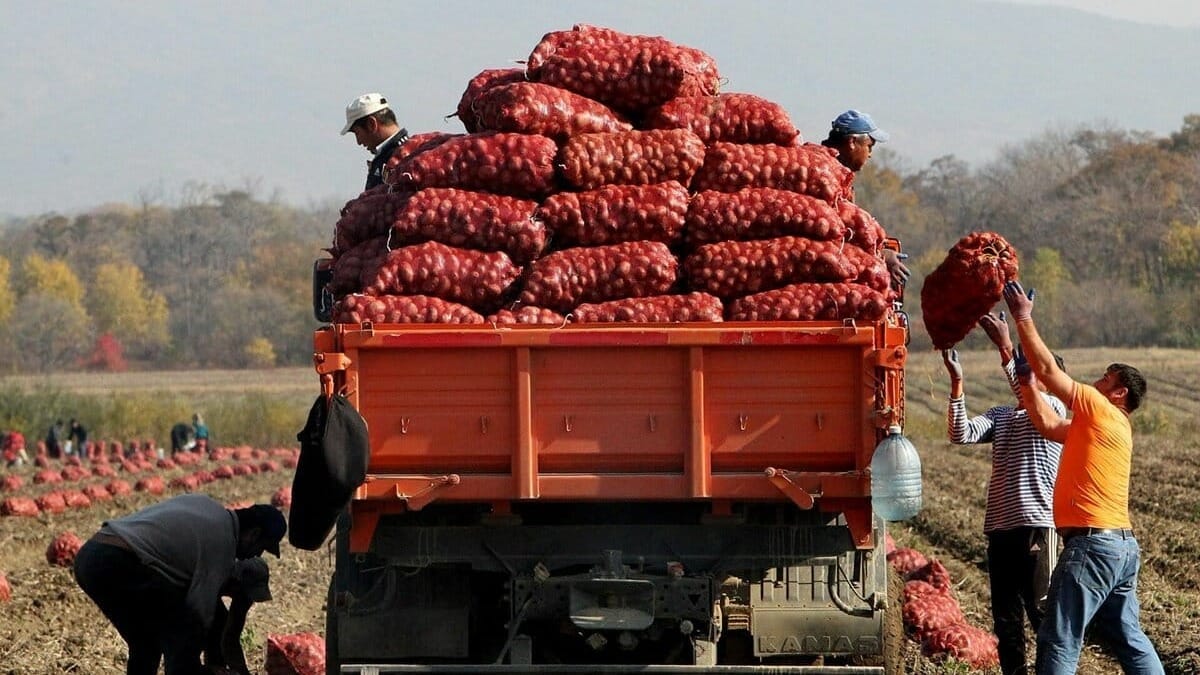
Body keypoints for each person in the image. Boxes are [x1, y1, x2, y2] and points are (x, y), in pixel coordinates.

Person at [1002, 280, 1164, 675]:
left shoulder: (1100, 409)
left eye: (1106, 378)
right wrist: (1025, 383)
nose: (1097, 381)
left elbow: (1050, 371)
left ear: (1120, 393)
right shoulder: (1108, 425)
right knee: (1127, 635)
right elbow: (1047, 421)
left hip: (1092, 547)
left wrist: (1023, 318)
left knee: (1060, 636)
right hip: (1120, 549)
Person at [943, 311, 1067, 675]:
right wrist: (957, 384)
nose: (1026, 376)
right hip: (1000, 530)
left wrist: (1005, 346)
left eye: (1033, 372)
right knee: (1006, 621)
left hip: (1035, 526)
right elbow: (959, 434)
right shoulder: (1001, 416)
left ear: (1046, 382)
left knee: (1041, 613)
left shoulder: (1054, 412)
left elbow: (1030, 398)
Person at [73, 495, 287, 675]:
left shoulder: (210, 510)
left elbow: (215, 623)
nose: (255, 555)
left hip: (93, 554)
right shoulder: (222, 542)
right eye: (260, 548)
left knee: (146, 646)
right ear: (253, 534)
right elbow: (199, 615)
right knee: (176, 639)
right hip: (118, 560)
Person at [822, 109, 909, 289]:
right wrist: (880, 255)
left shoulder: (841, 178)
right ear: (852, 142)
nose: (870, 154)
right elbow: (834, 238)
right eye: (869, 146)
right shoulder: (825, 176)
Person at [202, 557, 272, 675]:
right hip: (182, 586)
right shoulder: (215, 574)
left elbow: (231, 637)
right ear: (236, 582)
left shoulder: (245, 593)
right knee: (215, 627)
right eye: (245, 592)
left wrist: (242, 672)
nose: (247, 598)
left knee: (219, 625)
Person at [340, 92, 408, 190]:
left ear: (372, 124)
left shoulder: (404, 155)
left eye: (357, 133)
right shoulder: (388, 156)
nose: (358, 142)